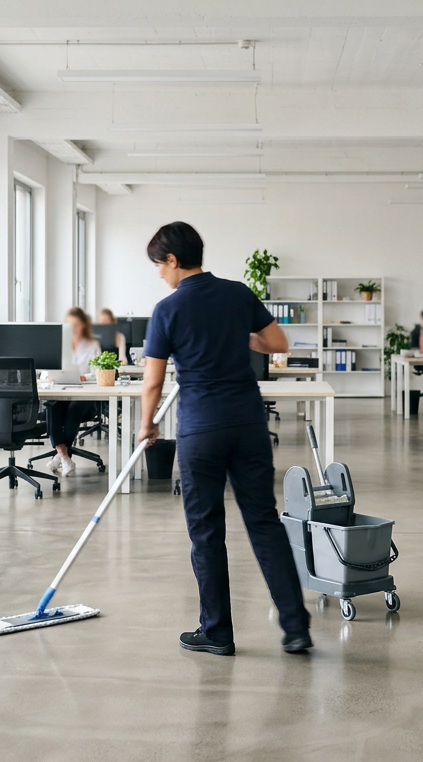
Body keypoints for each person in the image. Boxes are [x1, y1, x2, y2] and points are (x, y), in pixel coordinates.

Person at [135, 221, 312, 656]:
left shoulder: (167, 309)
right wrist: (238, 336)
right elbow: (277, 341)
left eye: (160, 265)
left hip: (201, 431)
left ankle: (217, 632)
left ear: (174, 260)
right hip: (249, 425)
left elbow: (153, 382)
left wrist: (147, 424)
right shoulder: (237, 292)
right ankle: (295, 628)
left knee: (207, 533)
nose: (159, 274)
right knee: (265, 524)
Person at [45, 307, 102, 478]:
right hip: (60, 392)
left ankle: (61, 455)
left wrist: (83, 376)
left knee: (74, 409)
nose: (72, 328)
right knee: (51, 407)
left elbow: (98, 372)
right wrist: (48, 375)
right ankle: (64, 455)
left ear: (83, 325)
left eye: (76, 325)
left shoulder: (92, 346)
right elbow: (45, 371)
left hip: (84, 395)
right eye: (69, 325)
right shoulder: (58, 344)